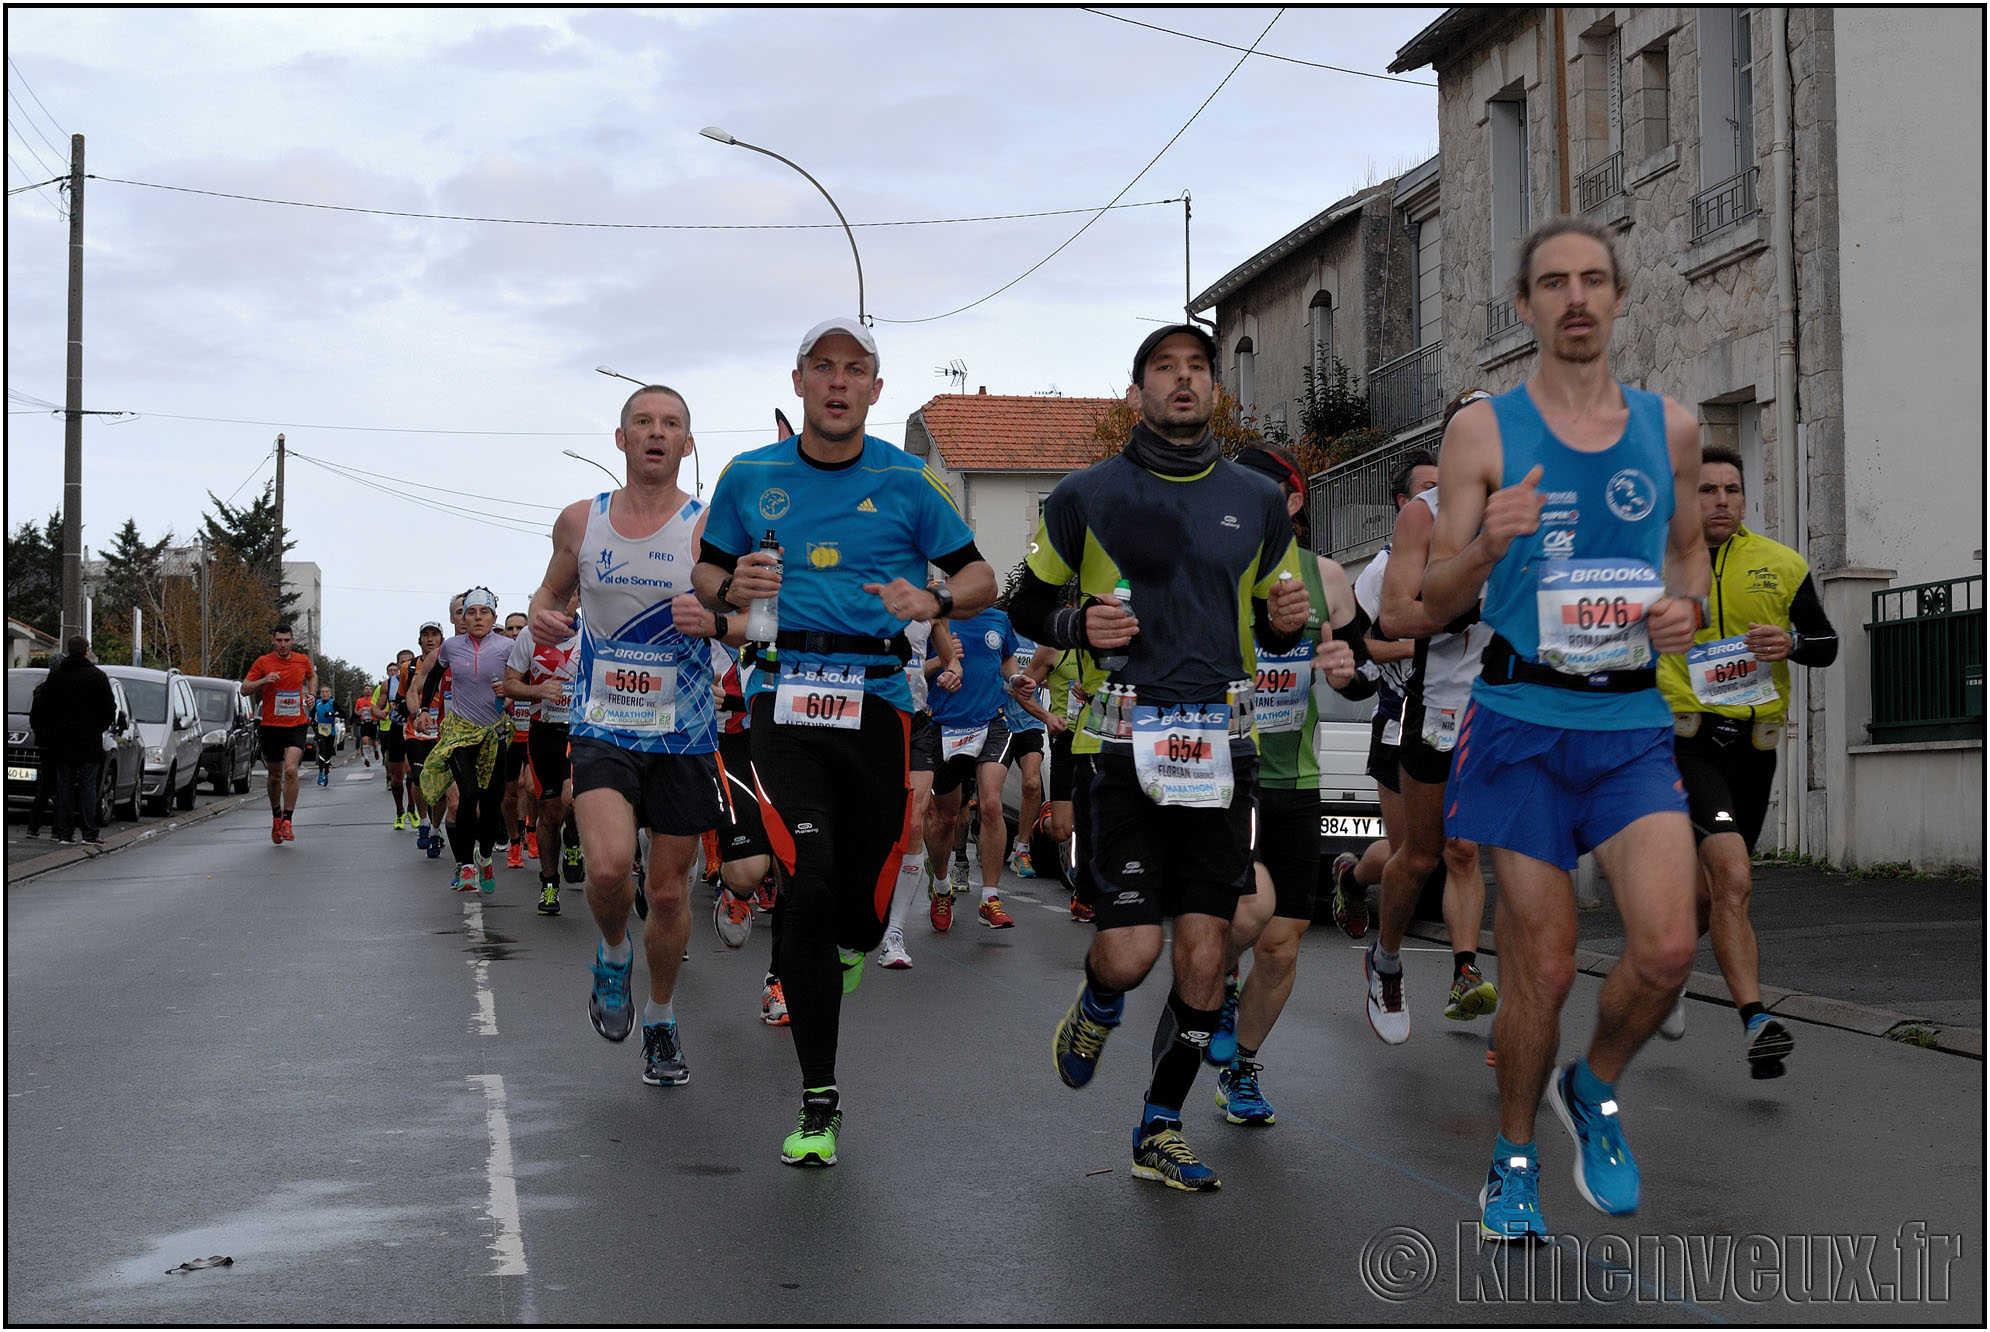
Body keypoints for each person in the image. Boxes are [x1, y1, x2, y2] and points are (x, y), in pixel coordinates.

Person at [1419, 217, 1708, 1240]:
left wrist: (1686, 612)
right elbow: (1428, 595)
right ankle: (1511, 1158)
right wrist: (1484, 548)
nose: (1575, 298)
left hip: (1628, 718)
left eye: (1592, 280)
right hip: (1516, 719)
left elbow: (1688, 563)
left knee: (1669, 947)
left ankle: (1593, 1086)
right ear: (1525, 306)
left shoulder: (1671, 429)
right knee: (1539, 966)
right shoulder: (1483, 433)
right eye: (1553, 283)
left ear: (1619, 296)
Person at [1011, 323, 1310, 1192]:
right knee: (1133, 951)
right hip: (1122, 746)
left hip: (1226, 747)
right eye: (1164, 369)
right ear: (1137, 387)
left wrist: (1287, 623)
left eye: (1197, 369)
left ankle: (1160, 1126)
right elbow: (1027, 603)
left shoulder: (1256, 500)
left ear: (1214, 388)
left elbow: (1273, 613)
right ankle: (1099, 1001)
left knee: (1208, 952)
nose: (1182, 382)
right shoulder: (1086, 494)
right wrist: (1077, 624)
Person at [693, 318, 996, 1167]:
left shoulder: (909, 481)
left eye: (853, 369)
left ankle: (857, 942)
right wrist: (731, 581)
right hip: (779, 693)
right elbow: (709, 574)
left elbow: (981, 577)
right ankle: (819, 1101)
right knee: (808, 877)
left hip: (875, 704)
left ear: (874, 389)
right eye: (821, 367)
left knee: (859, 912)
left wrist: (933, 604)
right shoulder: (750, 477)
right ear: (798, 383)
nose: (836, 381)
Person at [532, 383, 727, 1092]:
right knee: (612, 869)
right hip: (603, 721)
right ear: (621, 440)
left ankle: (661, 1016)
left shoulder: (709, 530)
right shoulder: (582, 522)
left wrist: (718, 623)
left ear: (687, 444)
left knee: (670, 895)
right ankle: (614, 954)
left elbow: (747, 619)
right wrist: (543, 616)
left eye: (670, 424)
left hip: (685, 730)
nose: (655, 433)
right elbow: (549, 595)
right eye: (642, 422)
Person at [1656, 444, 1838, 1077]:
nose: (1723, 501)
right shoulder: (1659, 562)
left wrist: (1790, 642)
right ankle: (1756, 1020)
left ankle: (1666, 971)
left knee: (1714, 896)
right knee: (1733, 876)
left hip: (1754, 750)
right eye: (1708, 491)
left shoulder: (1781, 564)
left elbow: (1827, 643)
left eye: (1732, 490)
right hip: (1684, 740)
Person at [1203, 442, 1370, 1128]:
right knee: (1240, 915)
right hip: (1224, 775)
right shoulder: (1213, 571)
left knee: (1286, 935)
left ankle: (1241, 1066)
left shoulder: (1326, 578)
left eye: (1261, 490)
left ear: (1295, 502)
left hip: (1296, 774)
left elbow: (1358, 667)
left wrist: (1344, 674)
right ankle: (1212, 985)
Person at [1365, 391, 1504, 1044]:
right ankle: (1385, 958)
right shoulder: (1424, 516)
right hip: (1440, 699)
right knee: (1419, 857)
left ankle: (1466, 970)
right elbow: (1393, 616)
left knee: (1466, 848)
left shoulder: (1531, 507)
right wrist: (1461, 610)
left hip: (1509, 700)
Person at [1332, 451, 1438, 935]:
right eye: (1427, 489)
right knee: (1406, 852)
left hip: (1451, 715)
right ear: (1403, 503)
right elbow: (1352, 647)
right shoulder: (1380, 572)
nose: (1441, 498)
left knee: (1447, 850)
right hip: (1397, 715)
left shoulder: (1462, 559)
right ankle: (1353, 880)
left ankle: (1464, 967)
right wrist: (1415, 649)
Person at [924, 603, 1047, 930]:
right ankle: (940, 885)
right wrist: (943, 661)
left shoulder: (998, 619)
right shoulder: (934, 616)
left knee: (991, 804)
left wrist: (1016, 678)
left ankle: (990, 897)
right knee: (945, 819)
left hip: (990, 722)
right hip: (944, 725)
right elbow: (911, 671)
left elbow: (1007, 660)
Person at [414, 589, 515, 893]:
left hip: (494, 733)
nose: (477, 618)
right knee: (467, 794)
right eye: (471, 613)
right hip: (459, 731)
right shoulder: (451, 647)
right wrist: (424, 709)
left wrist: (509, 692)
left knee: (491, 802)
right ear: (462, 618)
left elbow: (521, 679)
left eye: (484, 612)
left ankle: (483, 856)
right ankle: (466, 867)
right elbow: (432, 676)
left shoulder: (507, 646)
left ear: (494, 617)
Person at [875, 615, 953, 964]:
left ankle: (894, 933)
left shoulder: (930, 606)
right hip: (872, 718)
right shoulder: (866, 592)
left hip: (917, 722)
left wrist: (953, 670)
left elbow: (951, 659)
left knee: (914, 823)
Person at [502, 601, 581, 916]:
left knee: (573, 798)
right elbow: (509, 683)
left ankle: (573, 841)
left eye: (571, 595)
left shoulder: (592, 631)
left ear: (579, 599)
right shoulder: (530, 636)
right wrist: (538, 691)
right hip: (544, 732)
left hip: (581, 732)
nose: (564, 602)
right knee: (549, 813)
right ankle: (549, 883)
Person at [29, 636, 116, 846]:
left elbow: (43, 708)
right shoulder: (98, 677)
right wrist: (98, 727)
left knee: (63, 787)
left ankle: (64, 833)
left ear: (68, 651)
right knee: (87, 787)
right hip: (88, 741)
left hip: (61, 741)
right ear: (86, 651)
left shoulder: (56, 678)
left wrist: (50, 732)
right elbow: (109, 709)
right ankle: (89, 833)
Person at [242, 623, 317, 844]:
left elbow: (311, 676)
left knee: (291, 770)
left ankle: (288, 820)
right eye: (279, 640)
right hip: (271, 726)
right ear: (273, 641)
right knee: (275, 776)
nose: (283, 645)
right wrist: (264, 681)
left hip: (296, 724)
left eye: (287, 640)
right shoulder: (263, 663)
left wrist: (311, 694)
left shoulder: (302, 660)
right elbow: (244, 688)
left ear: (292, 641)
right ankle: (276, 816)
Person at [312, 685, 338, 786]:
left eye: (326, 692)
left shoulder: (333, 703)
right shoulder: (317, 703)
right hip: (320, 730)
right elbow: (312, 714)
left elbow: (342, 714)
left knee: (328, 753)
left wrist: (331, 714)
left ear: (330, 694)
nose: (324, 693)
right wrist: (311, 721)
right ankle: (320, 773)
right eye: (322, 692)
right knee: (322, 750)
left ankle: (326, 773)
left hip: (330, 731)